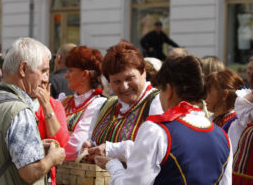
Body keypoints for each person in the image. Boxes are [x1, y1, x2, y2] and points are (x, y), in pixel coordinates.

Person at [93, 56, 232, 185]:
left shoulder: (157, 130)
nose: (159, 97)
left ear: (169, 90)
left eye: (161, 91)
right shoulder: (223, 136)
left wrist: (113, 166)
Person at [0, 37, 65, 185]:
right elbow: (30, 172)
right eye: (43, 71)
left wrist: (36, 145)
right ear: (23, 69)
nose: (46, 79)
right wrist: (52, 158)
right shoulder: (18, 110)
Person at [82, 40, 163, 154]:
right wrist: (89, 147)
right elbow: (91, 140)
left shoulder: (157, 102)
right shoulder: (104, 105)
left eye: (130, 78)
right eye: (116, 82)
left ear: (143, 73)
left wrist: (110, 150)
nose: (124, 87)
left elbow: (153, 149)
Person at [60, 46, 107, 161]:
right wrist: (69, 134)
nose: (66, 75)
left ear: (84, 75)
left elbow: (74, 147)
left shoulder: (97, 104)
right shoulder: (64, 100)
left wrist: (55, 143)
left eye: (70, 70)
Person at [33, 69, 69, 185]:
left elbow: (60, 145)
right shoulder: (18, 104)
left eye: (47, 73)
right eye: (41, 71)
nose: (44, 79)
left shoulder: (55, 104)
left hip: (46, 178)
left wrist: (46, 105)